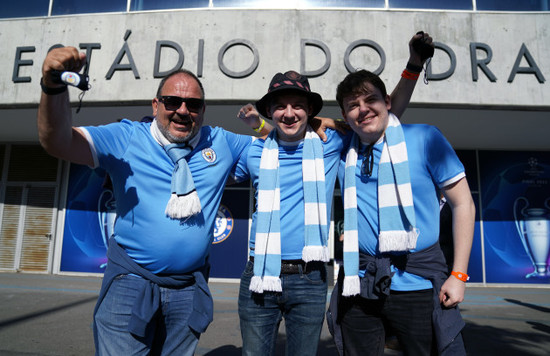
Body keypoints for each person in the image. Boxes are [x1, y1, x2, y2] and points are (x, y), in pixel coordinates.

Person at [38, 48, 254, 355]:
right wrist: (53, 86)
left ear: (203, 110)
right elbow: (57, 141)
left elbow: (277, 146)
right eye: (172, 101)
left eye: (193, 104)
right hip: (130, 284)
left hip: (188, 288)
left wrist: (313, 124)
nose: (183, 110)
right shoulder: (127, 138)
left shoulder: (220, 142)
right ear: (156, 105)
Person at [234, 32, 434, 356]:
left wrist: (413, 65)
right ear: (269, 110)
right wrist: (261, 127)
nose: (289, 113)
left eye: (298, 106)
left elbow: (382, 112)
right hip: (259, 272)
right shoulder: (254, 150)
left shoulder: (331, 142)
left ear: (309, 111)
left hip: (310, 277)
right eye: (280, 106)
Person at [327, 69, 476, 356]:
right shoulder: (343, 148)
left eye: (371, 100)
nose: (363, 110)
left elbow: (464, 204)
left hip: (418, 282)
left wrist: (459, 274)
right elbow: (303, 129)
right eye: (352, 106)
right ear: (345, 117)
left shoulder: (425, 137)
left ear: (387, 102)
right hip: (360, 283)